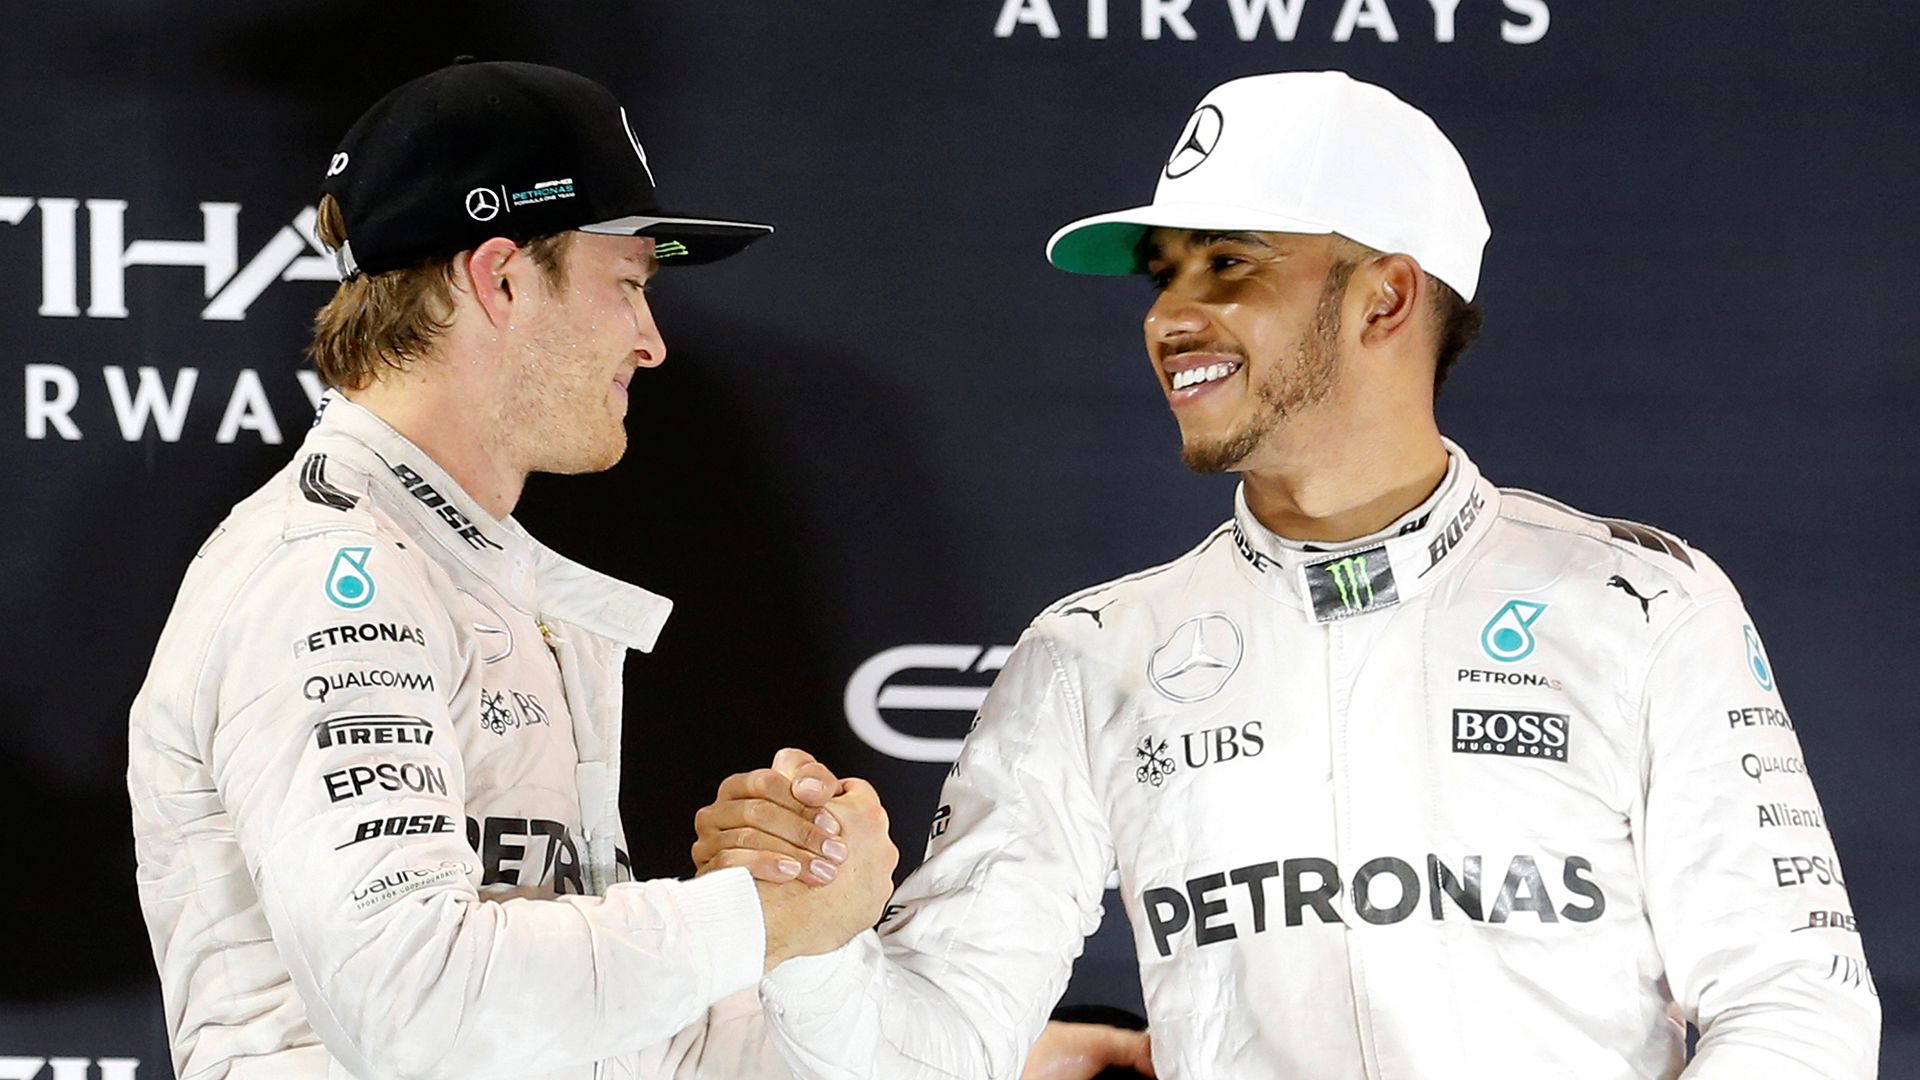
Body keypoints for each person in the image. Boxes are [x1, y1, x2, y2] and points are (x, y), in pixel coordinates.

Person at [697, 71, 1881, 1078]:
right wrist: (811, 940)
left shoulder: (1641, 606)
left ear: (1387, 294)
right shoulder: (1095, 650)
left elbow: (1797, 1005)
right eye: (1163, 272)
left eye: (1228, 262)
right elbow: (929, 1047)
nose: (1170, 314)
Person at [126, 59, 1144, 1080]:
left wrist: (1000, 1051)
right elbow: (416, 1004)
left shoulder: (471, 575)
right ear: (501, 277)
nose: (651, 343)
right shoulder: (331, 574)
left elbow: (579, 1035)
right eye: (628, 286)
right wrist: (764, 914)